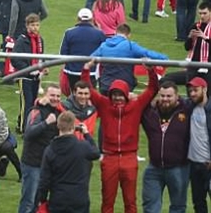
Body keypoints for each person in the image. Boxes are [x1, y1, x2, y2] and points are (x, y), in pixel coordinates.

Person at [80, 62, 160, 213]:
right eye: (114, 95)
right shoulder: (104, 104)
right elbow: (89, 89)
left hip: (129, 157)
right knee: (107, 200)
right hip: (109, 157)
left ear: (126, 94)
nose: (118, 98)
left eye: (120, 95)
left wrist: (151, 71)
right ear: (110, 95)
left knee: (130, 201)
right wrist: (86, 69)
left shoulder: (136, 106)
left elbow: (152, 89)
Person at [35, 111, 100, 213]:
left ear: (58, 126)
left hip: (58, 199)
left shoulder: (50, 150)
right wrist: (87, 134)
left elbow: (44, 180)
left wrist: (41, 199)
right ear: (73, 126)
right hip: (79, 198)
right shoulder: (83, 146)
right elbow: (96, 153)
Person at [141, 81, 190, 213]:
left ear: (177, 96)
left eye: (169, 96)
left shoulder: (187, 111)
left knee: (178, 207)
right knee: (150, 207)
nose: (165, 99)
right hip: (154, 168)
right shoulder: (149, 113)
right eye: (162, 96)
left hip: (179, 168)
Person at [17, 84, 63, 213]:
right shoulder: (36, 111)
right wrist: (46, 123)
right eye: (52, 95)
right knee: (29, 201)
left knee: (39, 200)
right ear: (45, 96)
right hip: (33, 163)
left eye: (58, 96)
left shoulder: (59, 112)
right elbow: (28, 133)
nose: (55, 98)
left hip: (49, 164)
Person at [91, 24, 167, 93]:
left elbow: (90, 58)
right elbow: (147, 53)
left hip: (105, 85)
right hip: (124, 87)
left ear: (116, 33)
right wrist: (164, 58)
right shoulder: (130, 45)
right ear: (129, 35)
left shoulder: (104, 45)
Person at [59, 8, 106, 93]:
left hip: (72, 72)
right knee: (90, 96)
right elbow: (104, 52)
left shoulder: (69, 32)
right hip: (91, 72)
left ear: (78, 19)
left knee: (74, 95)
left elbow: (63, 53)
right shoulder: (99, 33)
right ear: (92, 19)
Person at [186, 77, 211, 213]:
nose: (192, 94)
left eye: (195, 90)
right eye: (190, 91)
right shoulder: (189, 107)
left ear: (205, 89)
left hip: (209, 166)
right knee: (198, 203)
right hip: (194, 165)